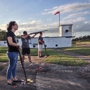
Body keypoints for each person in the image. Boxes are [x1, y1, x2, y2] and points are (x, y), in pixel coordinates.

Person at [6, 21, 21, 85]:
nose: (17, 26)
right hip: (12, 52)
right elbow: (10, 43)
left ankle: (14, 78)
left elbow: (14, 43)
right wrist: (18, 45)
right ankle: (9, 79)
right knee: (11, 66)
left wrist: (18, 46)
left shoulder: (13, 34)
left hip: (15, 52)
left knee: (14, 66)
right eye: (16, 25)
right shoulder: (9, 33)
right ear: (12, 25)